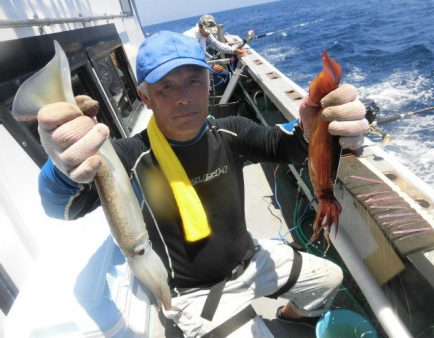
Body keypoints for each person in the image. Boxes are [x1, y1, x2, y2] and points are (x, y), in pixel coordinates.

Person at [37, 31, 369, 337]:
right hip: (196, 293)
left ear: (209, 83)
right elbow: (63, 207)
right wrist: (62, 168)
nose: (184, 98)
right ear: (144, 96)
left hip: (251, 259)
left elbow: (287, 146)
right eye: (166, 87)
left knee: (329, 279)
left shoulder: (230, 131)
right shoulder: (129, 157)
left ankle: (286, 317)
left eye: (193, 81)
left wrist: (318, 130)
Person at [184, 14, 247, 93]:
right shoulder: (191, 38)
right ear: (200, 26)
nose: (209, 33)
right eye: (208, 30)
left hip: (199, 65)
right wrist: (210, 66)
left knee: (225, 74)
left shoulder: (205, 34)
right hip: (187, 69)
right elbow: (191, 62)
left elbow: (217, 45)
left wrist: (234, 50)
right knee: (220, 76)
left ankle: (214, 92)